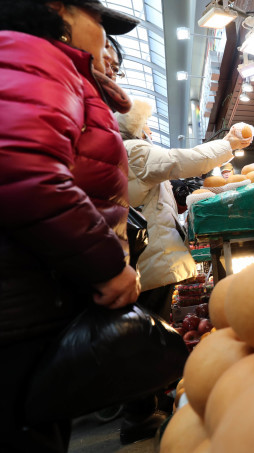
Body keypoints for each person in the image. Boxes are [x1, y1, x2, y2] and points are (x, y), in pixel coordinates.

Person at [0, 1, 140, 452]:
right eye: (98, 20)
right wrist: (106, 265)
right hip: (16, 308)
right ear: (56, 8)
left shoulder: (46, 65)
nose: (104, 38)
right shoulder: (32, 55)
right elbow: (24, 172)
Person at [116, 100, 251, 315]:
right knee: (152, 327)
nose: (150, 129)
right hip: (151, 261)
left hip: (142, 261)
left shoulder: (122, 154)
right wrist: (228, 144)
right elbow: (182, 161)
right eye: (147, 124)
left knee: (145, 326)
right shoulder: (134, 151)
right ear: (138, 128)